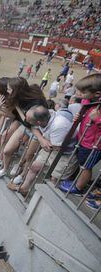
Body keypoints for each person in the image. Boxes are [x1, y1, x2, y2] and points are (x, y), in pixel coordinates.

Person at [7, 105, 77, 195]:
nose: (26, 120)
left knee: (54, 179)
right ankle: (24, 188)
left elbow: (56, 147)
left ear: (39, 122)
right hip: (51, 147)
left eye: (28, 119)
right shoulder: (45, 115)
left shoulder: (59, 125)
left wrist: (44, 141)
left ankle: (45, 199)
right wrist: (42, 139)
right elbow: (33, 128)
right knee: (34, 166)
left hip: (65, 154)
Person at [59, 74, 101, 202]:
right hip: (84, 139)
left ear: (97, 94)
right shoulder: (90, 102)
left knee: (86, 166)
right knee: (82, 163)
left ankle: (78, 188)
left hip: (94, 145)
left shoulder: (97, 107)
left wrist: (98, 119)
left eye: (83, 92)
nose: (79, 94)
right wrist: (81, 116)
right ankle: (78, 181)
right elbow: (85, 105)